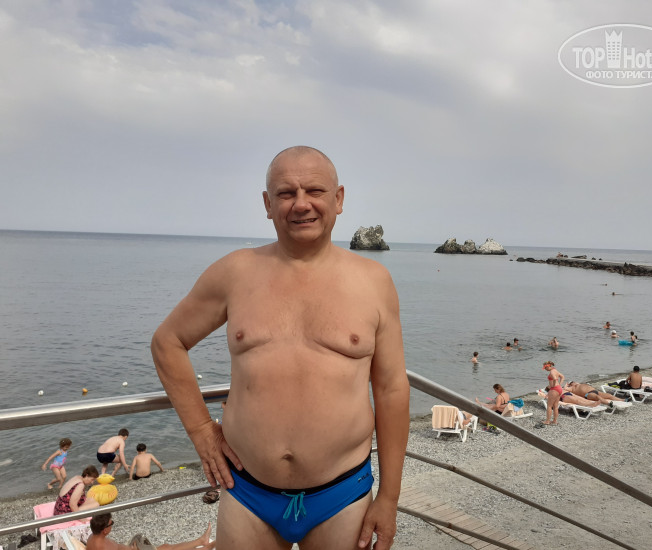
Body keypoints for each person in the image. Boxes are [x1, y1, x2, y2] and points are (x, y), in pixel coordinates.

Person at [151, 146, 410, 550]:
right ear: (267, 204)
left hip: (342, 494)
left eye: (315, 191)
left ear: (338, 199)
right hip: (248, 493)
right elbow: (167, 342)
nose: (301, 204)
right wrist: (201, 431)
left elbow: (392, 389)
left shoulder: (374, 281)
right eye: (286, 193)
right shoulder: (235, 273)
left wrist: (389, 498)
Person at [86, 513, 215, 550]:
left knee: (165, 547)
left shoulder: (94, 536)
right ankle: (204, 546)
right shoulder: (102, 547)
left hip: (130, 548)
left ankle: (201, 542)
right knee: (167, 548)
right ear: (104, 530)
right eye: (111, 523)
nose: (113, 525)